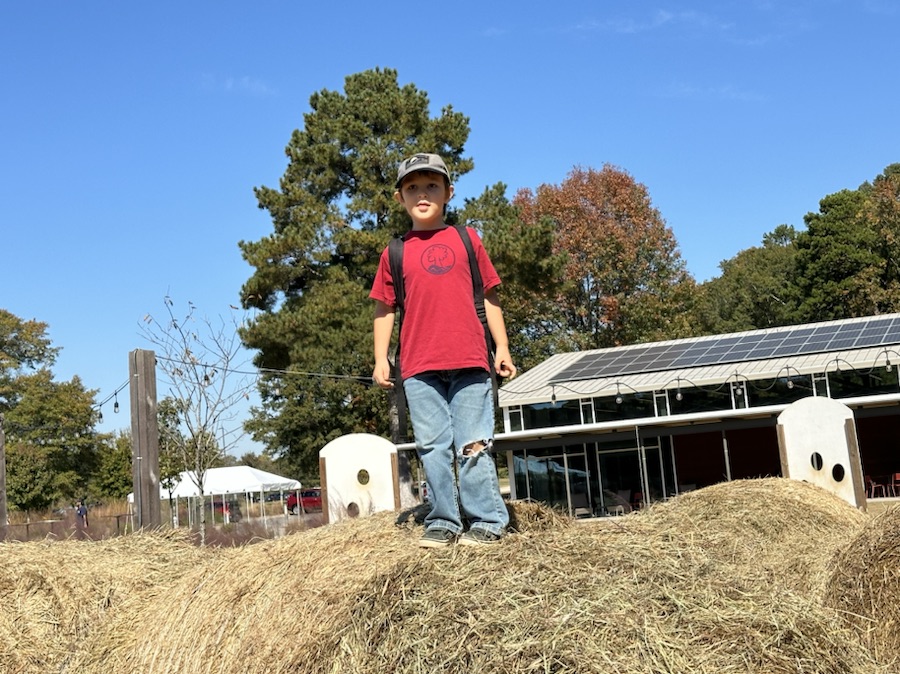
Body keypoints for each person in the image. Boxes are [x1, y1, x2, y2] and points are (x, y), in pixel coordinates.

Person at [370, 152, 517, 548]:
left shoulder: (467, 240)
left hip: (470, 360)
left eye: (432, 185)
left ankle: (487, 519)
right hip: (419, 366)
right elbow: (384, 308)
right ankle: (444, 520)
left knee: (473, 445)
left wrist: (501, 346)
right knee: (432, 447)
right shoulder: (394, 252)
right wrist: (380, 357)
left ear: (449, 193)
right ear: (400, 197)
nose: (422, 193)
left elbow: (490, 295)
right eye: (412, 187)